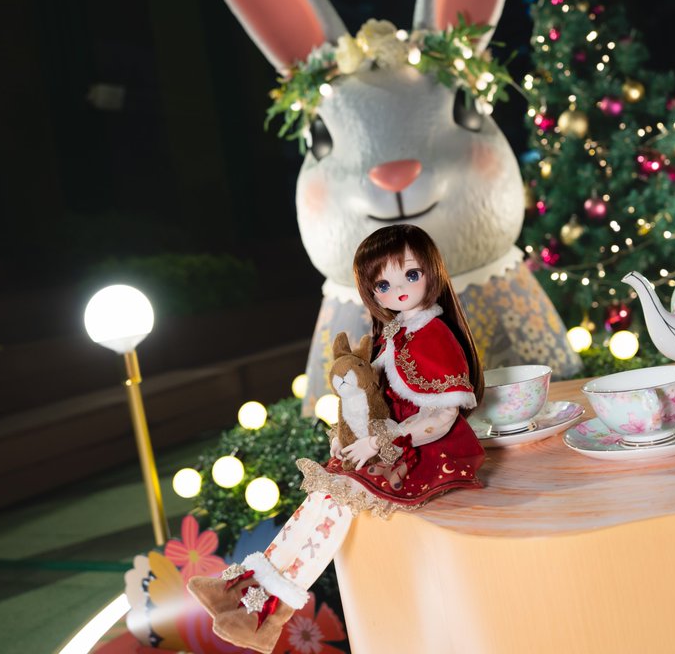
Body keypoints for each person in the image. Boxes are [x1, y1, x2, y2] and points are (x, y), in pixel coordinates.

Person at [188, 224, 486, 652]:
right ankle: (245, 592)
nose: (399, 290)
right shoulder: (397, 333)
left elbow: (442, 416)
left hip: (425, 452)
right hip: (390, 443)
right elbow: (372, 395)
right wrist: (346, 433)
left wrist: (383, 442)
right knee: (320, 501)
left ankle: (266, 612)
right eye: (383, 284)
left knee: (334, 505)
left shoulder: (432, 335)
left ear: (432, 272)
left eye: (411, 275)